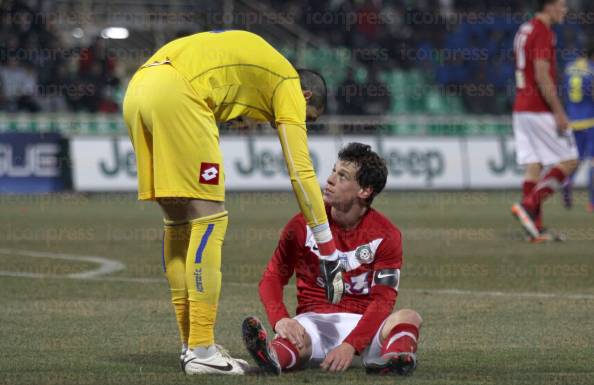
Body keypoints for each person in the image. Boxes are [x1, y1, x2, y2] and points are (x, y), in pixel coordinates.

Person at [122, 30, 344, 376]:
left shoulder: (264, 67)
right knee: (210, 219)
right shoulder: (287, 82)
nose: (298, 124)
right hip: (180, 93)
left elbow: (224, 75)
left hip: (139, 89)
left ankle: (192, 345)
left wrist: (240, 116)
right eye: (307, 118)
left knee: (179, 223)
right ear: (306, 95)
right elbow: (301, 172)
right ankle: (201, 350)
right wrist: (328, 249)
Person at [242, 143, 422, 376]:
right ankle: (272, 358)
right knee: (296, 337)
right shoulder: (301, 224)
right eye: (333, 171)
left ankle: (394, 361)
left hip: (362, 324)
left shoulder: (386, 235)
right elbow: (272, 277)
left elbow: (383, 302)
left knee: (409, 317)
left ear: (365, 191)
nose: (329, 179)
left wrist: (351, 345)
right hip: (313, 322)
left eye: (342, 176)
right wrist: (281, 320)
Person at [510, 0, 578, 242]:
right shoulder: (542, 32)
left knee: (534, 165)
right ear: (549, 6)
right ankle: (529, 205)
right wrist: (559, 111)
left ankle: (534, 229)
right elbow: (541, 74)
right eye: (562, 4)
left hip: (521, 107)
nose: (565, 9)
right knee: (570, 160)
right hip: (539, 108)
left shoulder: (524, 29)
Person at [560, 42, 594, 212]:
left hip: (573, 121)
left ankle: (567, 182)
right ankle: (592, 202)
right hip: (591, 121)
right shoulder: (592, 70)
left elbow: (563, 91)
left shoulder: (568, 67)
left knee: (576, 160)